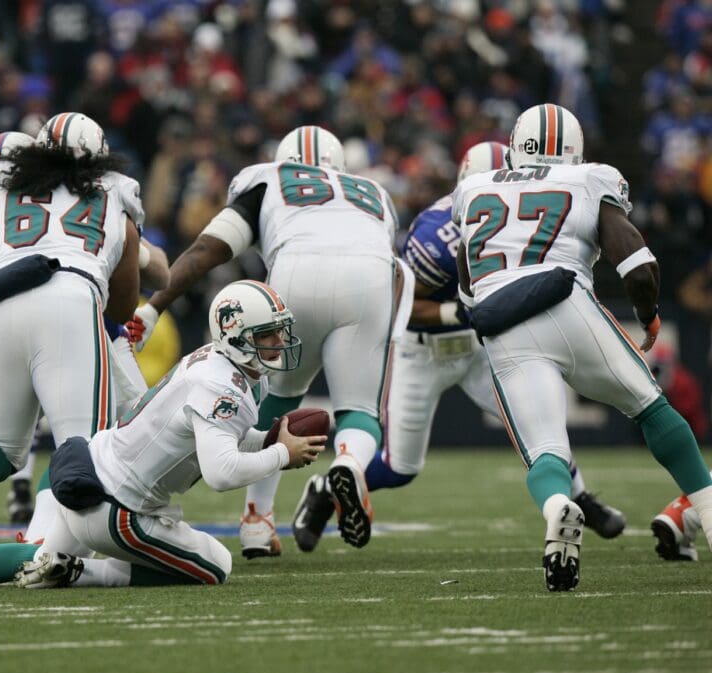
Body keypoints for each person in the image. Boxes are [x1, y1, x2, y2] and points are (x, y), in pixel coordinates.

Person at [0, 280, 325, 589]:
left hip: (90, 468)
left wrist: (267, 440)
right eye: (268, 335)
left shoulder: (215, 362)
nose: (279, 343)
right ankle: (82, 573)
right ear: (236, 335)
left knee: (34, 556)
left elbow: (214, 436)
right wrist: (282, 455)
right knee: (217, 565)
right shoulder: (221, 386)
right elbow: (221, 472)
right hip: (117, 509)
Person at [453, 103, 712, 591]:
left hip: (502, 321)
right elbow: (636, 261)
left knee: (547, 452)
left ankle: (557, 508)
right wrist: (648, 315)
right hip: (567, 302)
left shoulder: (474, 188)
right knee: (652, 409)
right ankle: (707, 509)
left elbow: (467, 286)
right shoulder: (590, 178)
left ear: (514, 145)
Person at [129, 125, 410, 557]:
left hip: (296, 272)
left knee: (277, 395)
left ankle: (257, 522)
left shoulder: (266, 179)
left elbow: (209, 250)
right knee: (360, 409)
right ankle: (350, 463)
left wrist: (153, 307)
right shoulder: (373, 191)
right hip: (369, 277)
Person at [348, 141, 625, 551]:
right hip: (423, 352)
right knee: (401, 467)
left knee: (538, 423)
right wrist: (459, 313)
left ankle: (578, 496)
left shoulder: (526, 213)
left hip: (479, 348)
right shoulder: (435, 234)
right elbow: (399, 305)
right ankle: (326, 488)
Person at [0, 112, 141, 560]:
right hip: (70, 300)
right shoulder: (118, 202)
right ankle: (42, 541)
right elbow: (123, 309)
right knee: (82, 444)